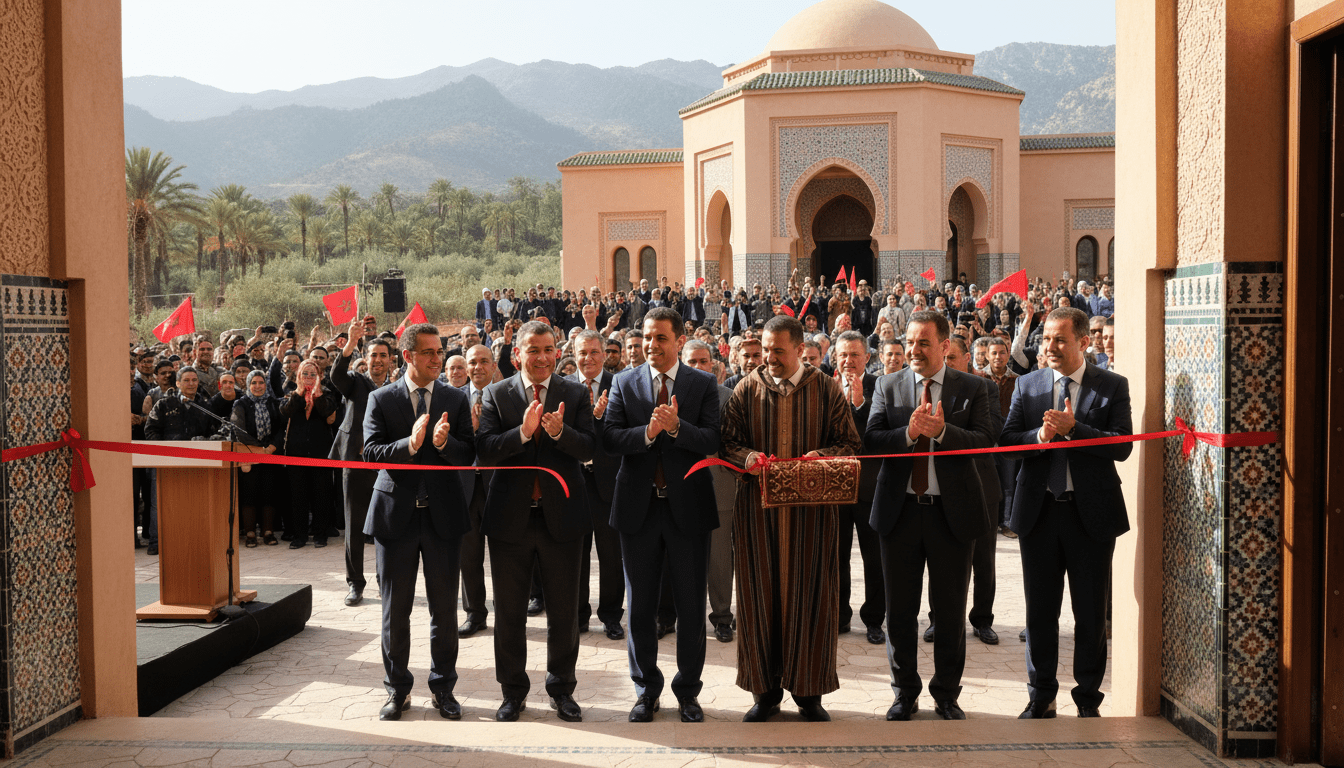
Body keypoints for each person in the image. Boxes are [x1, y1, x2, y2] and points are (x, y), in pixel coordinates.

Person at [719, 315, 862, 723]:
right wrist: (746, 458)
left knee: (812, 598)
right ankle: (764, 692)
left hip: (811, 520)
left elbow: (849, 443)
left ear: (800, 350)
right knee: (758, 599)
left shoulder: (826, 388)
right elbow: (727, 441)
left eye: (777, 351)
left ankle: (809, 691)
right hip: (756, 518)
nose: (768, 358)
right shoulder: (747, 388)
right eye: (765, 350)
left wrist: (822, 458)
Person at [864, 310, 997, 721]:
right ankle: (904, 692)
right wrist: (909, 434)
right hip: (899, 513)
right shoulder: (887, 385)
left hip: (951, 516)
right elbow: (872, 440)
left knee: (950, 609)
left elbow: (986, 441)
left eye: (924, 343)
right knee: (900, 611)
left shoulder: (974, 388)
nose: (914, 350)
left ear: (944, 346)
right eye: (910, 342)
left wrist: (942, 433)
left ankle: (946, 694)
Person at [1001, 307, 1132, 719]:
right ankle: (1040, 695)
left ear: (1083, 342)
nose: (1050, 348)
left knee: (1091, 613)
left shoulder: (1111, 386)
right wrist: (1039, 436)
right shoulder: (1028, 385)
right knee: (1040, 612)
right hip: (1039, 513)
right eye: (1045, 340)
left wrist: (1076, 430)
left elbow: (1122, 445)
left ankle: (1088, 698)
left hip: (1090, 516)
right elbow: (1006, 442)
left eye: (1059, 340)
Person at [601, 307, 721, 723]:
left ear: (678, 339)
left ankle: (688, 691)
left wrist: (675, 428)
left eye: (660, 339)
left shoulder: (702, 383)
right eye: (647, 338)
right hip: (638, 509)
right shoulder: (623, 382)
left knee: (690, 605)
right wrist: (649, 433)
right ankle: (645, 690)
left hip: (688, 509)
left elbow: (712, 438)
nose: (651, 346)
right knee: (640, 606)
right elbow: (612, 438)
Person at [476, 320, 596, 723]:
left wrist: (561, 434)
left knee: (564, 611)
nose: (542, 357)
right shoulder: (495, 394)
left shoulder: (575, 393)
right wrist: (523, 433)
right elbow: (486, 452)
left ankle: (562, 689)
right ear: (517, 355)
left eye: (548, 349)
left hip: (562, 518)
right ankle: (512, 692)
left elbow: (591, 448)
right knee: (509, 612)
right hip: (511, 520)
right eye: (533, 350)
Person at [362, 322, 476, 721]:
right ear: (408, 356)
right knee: (396, 611)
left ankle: (443, 688)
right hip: (396, 520)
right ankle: (397, 690)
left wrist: (445, 444)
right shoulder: (380, 398)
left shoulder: (455, 398)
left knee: (444, 611)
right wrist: (407, 446)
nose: (437, 359)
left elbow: (469, 454)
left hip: (443, 517)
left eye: (439, 352)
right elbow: (371, 453)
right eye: (428, 353)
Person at [331, 326, 396, 605]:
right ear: (365, 358)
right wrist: (349, 345)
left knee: (384, 525)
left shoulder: (398, 387)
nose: (378, 360)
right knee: (354, 526)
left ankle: (385, 580)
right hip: (355, 464)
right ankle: (355, 583)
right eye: (373, 355)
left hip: (386, 466)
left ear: (391, 360)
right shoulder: (356, 382)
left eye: (383, 355)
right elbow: (335, 377)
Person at [569, 330, 626, 640]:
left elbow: (623, 434)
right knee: (576, 553)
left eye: (593, 352)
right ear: (573, 354)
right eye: (582, 352)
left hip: (609, 483)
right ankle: (578, 615)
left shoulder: (621, 387)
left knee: (610, 555)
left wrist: (601, 420)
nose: (587, 358)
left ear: (605, 354)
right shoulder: (564, 388)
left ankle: (611, 616)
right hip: (574, 483)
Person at [681, 340, 737, 644]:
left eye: (704, 361)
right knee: (682, 556)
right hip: (679, 486)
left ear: (714, 365)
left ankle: (722, 617)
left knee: (718, 558)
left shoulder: (728, 398)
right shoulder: (671, 396)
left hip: (719, 485)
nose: (699, 367)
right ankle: (683, 617)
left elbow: (729, 444)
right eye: (692, 362)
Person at [832, 331, 886, 645]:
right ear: (834, 358)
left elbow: (876, 436)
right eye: (843, 355)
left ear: (867, 357)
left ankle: (874, 619)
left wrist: (859, 404)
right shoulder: (824, 387)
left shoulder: (882, 387)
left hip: (871, 486)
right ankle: (839, 616)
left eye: (855, 355)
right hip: (834, 486)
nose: (849, 361)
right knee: (836, 557)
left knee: (874, 558)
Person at [456, 343, 498, 638]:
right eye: (472, 362)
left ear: (494, 365)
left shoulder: (509, 395)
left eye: (484, 361)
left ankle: (510, 610)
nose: (478, 367)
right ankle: (474, 613)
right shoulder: (453, 399)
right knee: (468, 555)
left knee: (506, 555)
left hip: (501, 486)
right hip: (465, 487)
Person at [279, 360, 338, 549]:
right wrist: (299, 393)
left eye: (313, 374)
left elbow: (327, 412)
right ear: (298, 376)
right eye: (305, 374)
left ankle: (320, 535)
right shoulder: (291, 393)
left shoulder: (327, 394)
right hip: (296, 454)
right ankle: (300, 536)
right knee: (298, 497)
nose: (309, 378)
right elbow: (285, 411)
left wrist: (317, 395)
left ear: (319, 376)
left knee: (321, 496)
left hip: (321, 454)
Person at [231, 370, 283, 547]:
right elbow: (238, 430)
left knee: (269, 492)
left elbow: (281, 428)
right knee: (249, 494)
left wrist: (271, 447)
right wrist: (259, 449)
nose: (258, 386)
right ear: (248, 384)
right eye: (254, 383)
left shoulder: (274, 403)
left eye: (261, 382)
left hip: (271, 453)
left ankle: (268, 532)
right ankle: (250, 533)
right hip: (249, 454)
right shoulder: (241, 403)